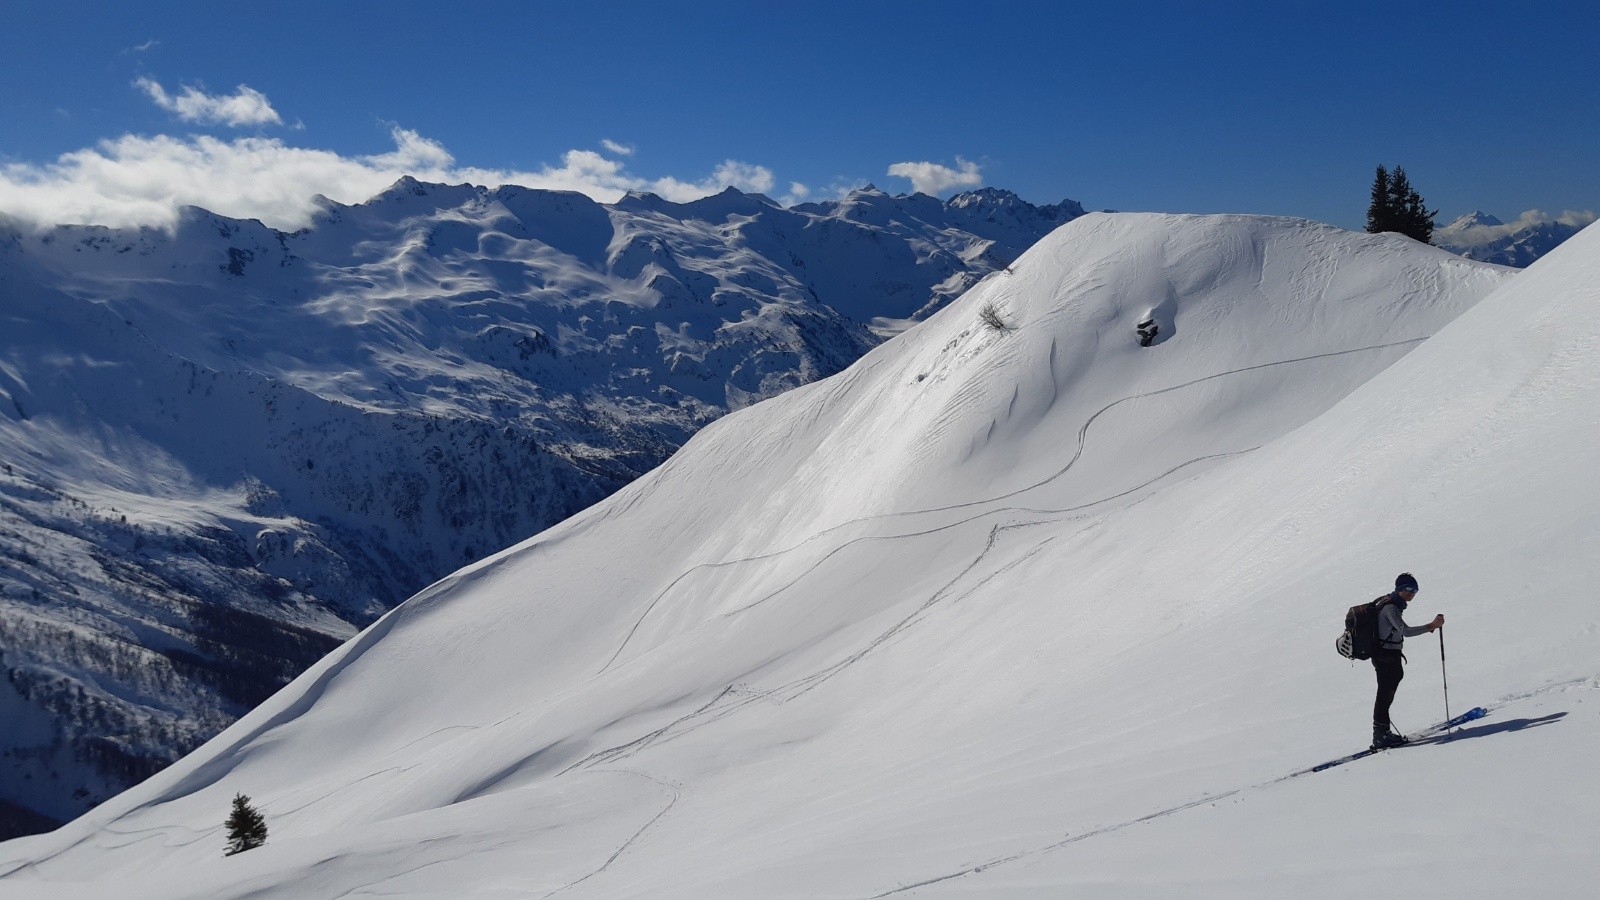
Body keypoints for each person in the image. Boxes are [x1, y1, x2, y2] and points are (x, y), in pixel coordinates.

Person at [1371, 572, 1444, 749]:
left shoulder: (1387, 602)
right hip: (1387, 656)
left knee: (1384, 694)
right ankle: (1381, 736)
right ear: (1400, 589)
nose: (1412, 593)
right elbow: (1406, 631)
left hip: (1383, 655)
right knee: (1384, 695)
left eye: (1415, 590)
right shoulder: (1391, 608)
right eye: (1409, 589)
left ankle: (1382, 733)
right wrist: (1431, 626)